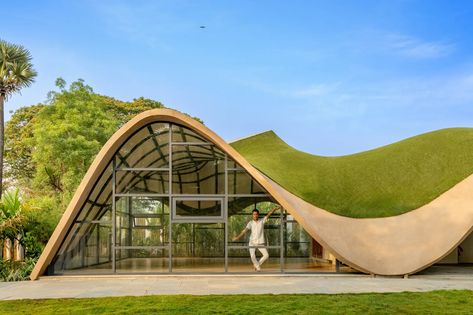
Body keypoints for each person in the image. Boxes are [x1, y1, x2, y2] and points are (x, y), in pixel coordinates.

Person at [232, 205, 280, 271]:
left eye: (256, 214)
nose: (255, 215)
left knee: (266, 255)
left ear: (258, 215)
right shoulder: (250, 223)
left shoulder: (262, 221)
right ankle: (258, 268)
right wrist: (237, 237)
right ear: (252, 215)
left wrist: (275, 209)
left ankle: (257, 264)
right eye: (253, 214)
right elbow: (244, 231)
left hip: (260, 242)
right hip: (252, 242)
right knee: (252, 256)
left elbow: (269, 214)